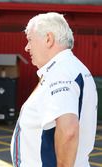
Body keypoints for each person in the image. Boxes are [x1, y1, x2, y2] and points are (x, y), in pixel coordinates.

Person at [11, 12, 97, 167]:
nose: (26, 47)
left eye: (30, 40)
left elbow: (69, 130)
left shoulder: (60, 71)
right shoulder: (72, 67)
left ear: (48, 39)